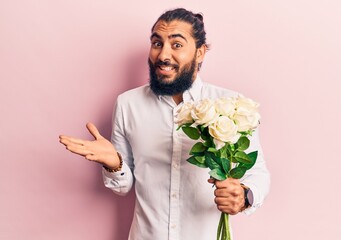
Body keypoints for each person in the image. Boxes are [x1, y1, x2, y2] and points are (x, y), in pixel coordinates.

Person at [59, 8, 270, 240]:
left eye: (177, 45)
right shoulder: (128, 105)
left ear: (200, 53)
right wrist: (114, 163)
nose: (163, 55)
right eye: (157, 43)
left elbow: (257, 173)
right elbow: (122, 186)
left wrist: (245, 196)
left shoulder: (232, 105)